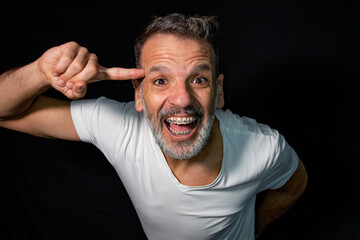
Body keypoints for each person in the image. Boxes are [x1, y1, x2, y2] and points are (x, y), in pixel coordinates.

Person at [0, 13, 307, 239]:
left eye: (198, 80)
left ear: (219, 91)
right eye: (160, 80)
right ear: (138, 93)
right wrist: (40, 72)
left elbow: (294, 185)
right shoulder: (116, 126)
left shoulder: (263, 147)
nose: (182, 99)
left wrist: (253, 231)